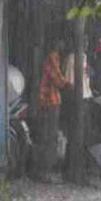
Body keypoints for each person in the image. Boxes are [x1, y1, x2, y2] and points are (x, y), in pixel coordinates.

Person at [35, 41, 69, 181]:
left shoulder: (47, 57)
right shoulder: (53, 57)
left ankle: (43, 170)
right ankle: (45, 171)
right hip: (50, 101)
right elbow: (58, 81)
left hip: (45, 100)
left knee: (46, 134)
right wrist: (69, 83)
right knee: (50, 136)